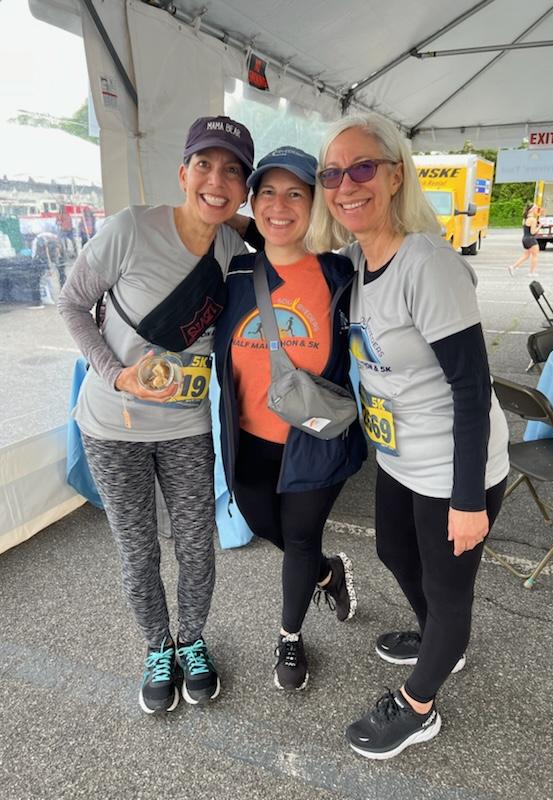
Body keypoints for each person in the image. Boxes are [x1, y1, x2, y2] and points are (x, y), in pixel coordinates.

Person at [307, 114, 509, 759]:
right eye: (333, 174)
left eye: (363, 168)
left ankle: (419, 704)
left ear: (395, 176)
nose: (347, 185)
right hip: (401, 458)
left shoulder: (428, 263)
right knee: (396, 552)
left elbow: (473, 388)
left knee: (450, 589)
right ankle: (437, 639)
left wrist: (469, 498)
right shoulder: (360, 263)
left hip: (456, 462)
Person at [57, 115, 254, 714]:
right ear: (183, 172)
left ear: (243, 188)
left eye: (232, 171)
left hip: (187, 426)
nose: (215, 181)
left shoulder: (232, 243)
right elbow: (70, 303)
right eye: (204, 165)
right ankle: (156, 646)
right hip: (112, 425)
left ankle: (192, 639)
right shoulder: (131, 229)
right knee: (138, 548)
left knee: (197, 543)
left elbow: (290, 223)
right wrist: (114, 372)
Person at [213, 147, 367, 691]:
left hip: (315, 438)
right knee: (262, 523)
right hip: (249, 439)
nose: (281, 206)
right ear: (253, 203)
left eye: (296, 193)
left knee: (300, 539)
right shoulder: (232, 271)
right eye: (268, 193)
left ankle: (290, 635)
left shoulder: (342, 271)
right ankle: (329, 573)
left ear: (316, 202)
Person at [508, 203, 542, 276]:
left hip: (525, 239)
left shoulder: (525, 219)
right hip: (531, 239)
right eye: (535, 208)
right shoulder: (533, 219)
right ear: (532, 210)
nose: (537, 210)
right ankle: (532, 272)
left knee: (526, 255)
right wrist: (539, 226)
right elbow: (533, 232)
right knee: (535, 255)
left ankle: (513, 267)